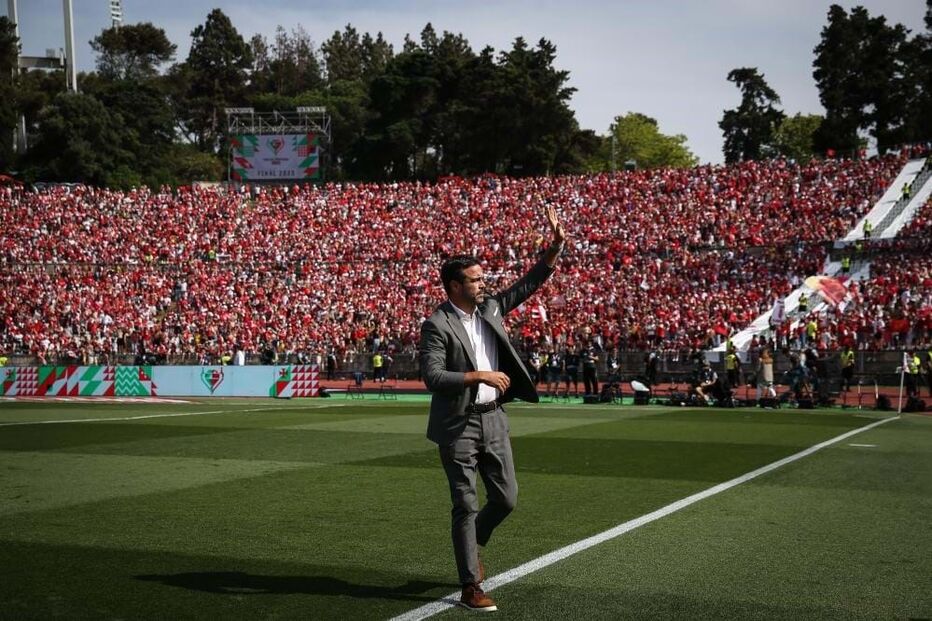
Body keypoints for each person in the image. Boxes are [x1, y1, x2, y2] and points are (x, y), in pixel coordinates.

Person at [419, 204, 566, 612]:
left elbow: (529, 284)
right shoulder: (436, 325)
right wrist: (476, 377)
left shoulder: (490, 308)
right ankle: (471, 585)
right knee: (465, 504)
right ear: (453, 285)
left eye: (484, 278)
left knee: (506, 499)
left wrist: (554, 247)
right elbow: (431, 377)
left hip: (495, 420)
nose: (483, 284)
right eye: (475, 279)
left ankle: (474, 540)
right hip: (458, 425)